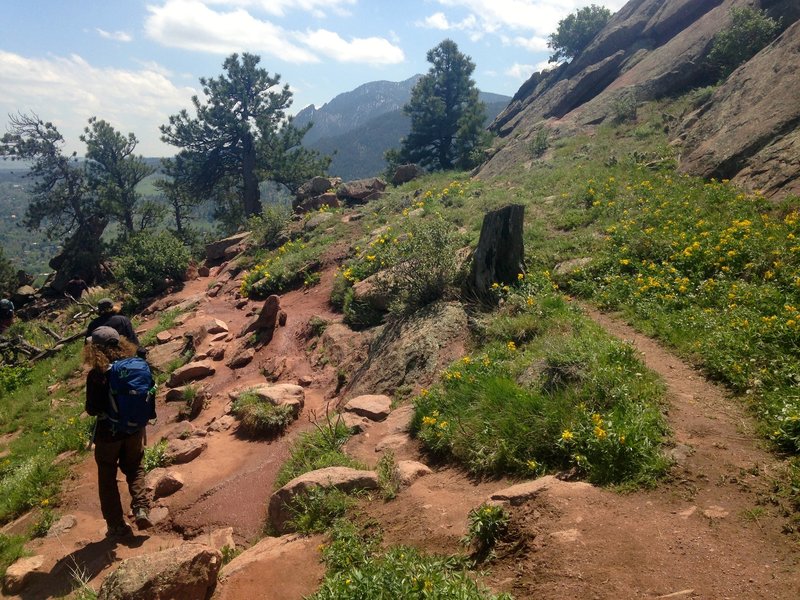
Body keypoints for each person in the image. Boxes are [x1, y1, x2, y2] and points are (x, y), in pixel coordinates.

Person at [84, 326, 153, 537]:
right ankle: (141, 508)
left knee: (107, 475)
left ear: (95, 349)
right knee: (135, 468)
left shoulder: (97, 375)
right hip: (134, 429)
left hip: (108, 433)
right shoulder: (136, 365)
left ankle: (116, 525)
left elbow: (92, 409)